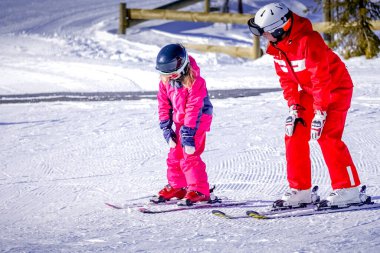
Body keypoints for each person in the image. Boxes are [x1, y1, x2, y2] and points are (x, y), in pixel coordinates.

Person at [247, 3, 366, 207]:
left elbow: (321, 78)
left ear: (280, 28)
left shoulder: (309, 41)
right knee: (293, 132)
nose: (264, 37)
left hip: (335, 88)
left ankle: (349, 189)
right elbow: (286, 79)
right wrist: (294, 107)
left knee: (327, 134)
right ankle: (300, 190)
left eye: (266, 32)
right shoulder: (277, 47)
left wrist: (320, 113)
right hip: (311, 92)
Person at [155, 43, 213, 205]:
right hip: (181, 123)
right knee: (174, 154)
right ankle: (178, 186)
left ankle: (199, 189)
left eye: (171, 68)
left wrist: (188, 132)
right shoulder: (166, 81)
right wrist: (166, 127)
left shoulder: (196, 81)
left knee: (190, 156)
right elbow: (163, 104)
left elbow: (194, 108)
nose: (169, 74)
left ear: (181, 63)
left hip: (198, 122)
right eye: (165, 70)